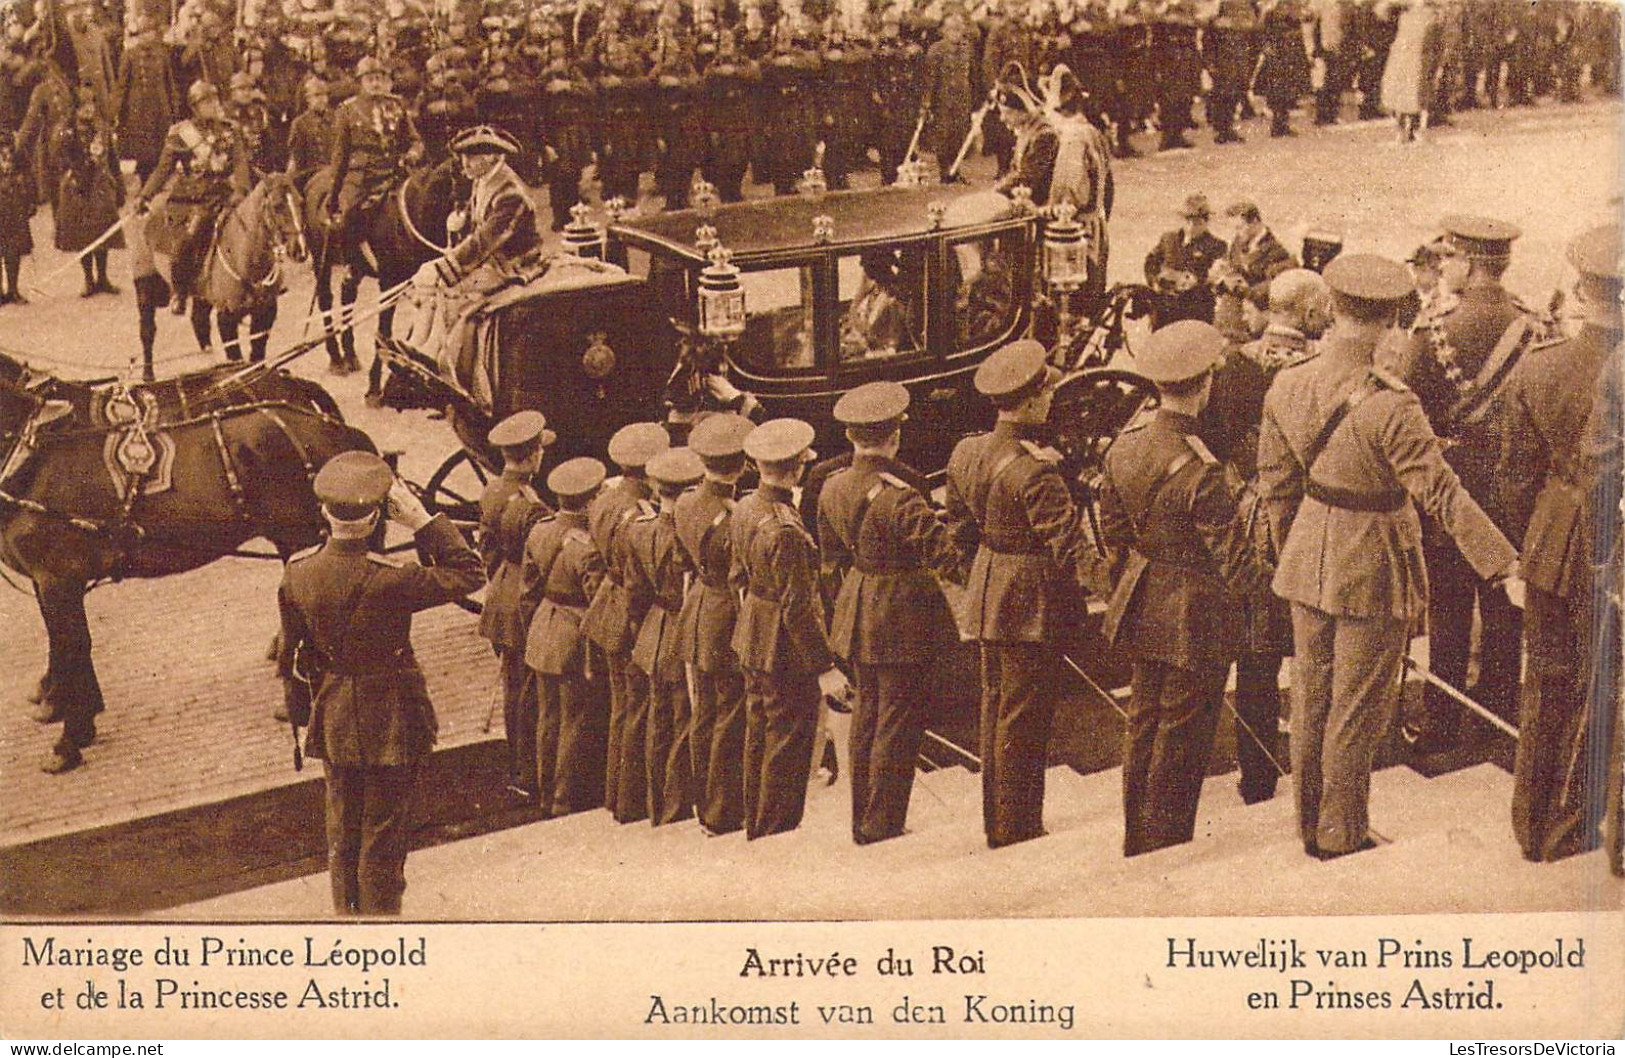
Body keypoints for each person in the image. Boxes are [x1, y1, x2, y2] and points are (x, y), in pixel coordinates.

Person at [1255, 253, 1518, 860]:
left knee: (1313, 698)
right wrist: (1502, 564)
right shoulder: (1392, 402)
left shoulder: (1288, 381)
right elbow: (1442, 494)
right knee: (1357, 708)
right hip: (1372, 560)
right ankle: (1341, 835)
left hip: (1308, 553)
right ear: (1391, 319)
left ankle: (1310, 826)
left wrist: (1296, 546)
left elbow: (1275, 482)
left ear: (1335, 310)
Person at [277, 451, 483, 915]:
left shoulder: (298, 570)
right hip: (391, 713)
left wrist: (300, 719)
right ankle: (381, 920)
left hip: (333, 714)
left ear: (324, 515)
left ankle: (347, 915)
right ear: (375, 520)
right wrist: (423, 520)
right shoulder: (393, 579)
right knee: (384, 830)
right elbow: (470, 572)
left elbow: (293, 656)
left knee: (341, 827)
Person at [1100, 321, 1275, 856]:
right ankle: (1166, 851)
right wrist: (1271, 593)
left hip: (1142, 598)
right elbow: (1234, 562)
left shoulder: (1124, 448)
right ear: (1203, 385)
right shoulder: (1202, 470)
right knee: (1182, 739)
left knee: (1144, 725)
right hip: (1195, 614)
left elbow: (1113, 532)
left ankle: (1139, 841)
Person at [1497, 223, 1621, 863]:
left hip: (1551, 540)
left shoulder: (1541, 367)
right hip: (1612, 546)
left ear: (1579, 289)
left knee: (1546, 683)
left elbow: (1513, 477)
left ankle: (1534, 823)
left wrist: (1538, 535)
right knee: (1604, 687)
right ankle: (1575, 824)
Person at [945, 339, 1095, 848]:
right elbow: (1069, 543)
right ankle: (1018, 825)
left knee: (997, 709)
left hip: (989, 586)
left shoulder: (967, 451)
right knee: (1025, 715)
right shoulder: (1035, 469)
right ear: (1032, 401)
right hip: (1029, 598)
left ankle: (999, 819)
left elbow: (961, 527)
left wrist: (982, 571)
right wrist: (1111, 590)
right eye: (1047, 392)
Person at [1398, 214, 1538, 753]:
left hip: (1453, 492)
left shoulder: (1434, 329)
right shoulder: (1532, 324)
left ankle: (1441, 724)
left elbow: (1415, 415)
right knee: (1505, 612)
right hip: (1513, 491)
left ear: (1472, 263)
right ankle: (1498, 717)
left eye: (1450, 258)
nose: (1444, 268)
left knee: (1450, 614)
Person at [1200, 270, 1334, 806]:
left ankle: (1256, 777)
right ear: (1303, 314)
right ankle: (1317, 771)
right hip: (1310, 520)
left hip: (1246, 522)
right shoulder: (1321, 372)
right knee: (1315, 649)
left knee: (1255, 657)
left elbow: (1206, 441)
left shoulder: (1232, 363)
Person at [819, 382, 965, 845]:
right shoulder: (900, 495)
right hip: (902, 614)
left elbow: (831, 558)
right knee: (898, 718)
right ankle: (884, 823)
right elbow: (948, 559)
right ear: (895, 436)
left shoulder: (832, 486)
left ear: (851, 437)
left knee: (867, 713)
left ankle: (863, 818)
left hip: (858, 605)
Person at [732, 418, 846, 839]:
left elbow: (738, 574)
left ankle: (757, 827)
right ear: (797, 468)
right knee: (787, 748)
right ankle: (776, 835)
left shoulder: (746, 507)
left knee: (760, 735)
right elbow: (798, 607)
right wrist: (825, 667)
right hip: (783, 649)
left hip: (753, 635)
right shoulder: (786, 530)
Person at [407, 125, 543, 407]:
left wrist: (442, 267)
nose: (465, 164)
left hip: (515, 265)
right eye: (463, 157)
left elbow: (485, 241)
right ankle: (420, 350)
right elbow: (476, 224)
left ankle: (440, 363)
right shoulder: (483, 180)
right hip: (493, 259)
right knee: (430, 287)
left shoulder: (511, 193)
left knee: (447, 287)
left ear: (493, 156)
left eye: (472, 157)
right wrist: (460, 221)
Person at [583, 422, 670, 824]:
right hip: (627, 616)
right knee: (637, 706)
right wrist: (640, 622)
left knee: (623, 707)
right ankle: (634, 802)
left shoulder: (605, 499)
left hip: (605, 606)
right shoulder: (637, 514)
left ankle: (617, 796)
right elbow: (636, 579)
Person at [675, 413, 755, 836]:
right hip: (725, 613)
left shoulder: (687, 502)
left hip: (699, 608)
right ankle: (724, 810)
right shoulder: (735, 516)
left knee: (704, 711)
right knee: (729, 712)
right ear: (742, 463)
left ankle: (703, 800)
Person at [523, 456, 610, 817]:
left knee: (548, 716)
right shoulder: (586, 547)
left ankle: (545, 792)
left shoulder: (540, 530)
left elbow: (527, 587)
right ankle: (563, 797)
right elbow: (598, 600)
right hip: (573, 634)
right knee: (574, 717)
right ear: (589, 502)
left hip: (544, 627)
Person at [476, 410, 556, 800]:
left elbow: (488, 551)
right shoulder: (530, 505)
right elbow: (540, 562)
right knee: (529, 692)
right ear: (533, 455)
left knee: (514, 688)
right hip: (524, 603)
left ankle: (517, 765)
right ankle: (530, 772)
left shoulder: (492, 490)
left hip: (501, 597)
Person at [627, 447, 706, 825]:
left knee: (658, 723)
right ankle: (676, 808)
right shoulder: (687, 533)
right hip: (681, 629)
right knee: (683, 721)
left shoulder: (640, 530)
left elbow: (634, 592)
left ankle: (657, 806)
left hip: (653, 631)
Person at [133, 79, 251, 315]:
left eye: (214, 100)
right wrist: (145, 195)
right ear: (195, 106)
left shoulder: (230, 130)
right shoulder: (181, 134)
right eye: (206, 102)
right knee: (186, 241)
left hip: (222, 196)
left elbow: (240, 163)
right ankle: (180, 292)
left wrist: (241, 191)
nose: (213, 105)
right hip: (191, 200)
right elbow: (163, 169)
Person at [324, 54, 424, 254]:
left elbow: (415, 140)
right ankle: (353, 264)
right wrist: (333, 193)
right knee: (348, 215)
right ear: (361, 82)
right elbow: (339, 155)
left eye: (379, 78)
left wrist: (413, 153)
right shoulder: (347, 110)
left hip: (395, 172)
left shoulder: (396, 105)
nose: (376, 83)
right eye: (370, 79)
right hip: (362, 177)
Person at [55, 101, 123, 299]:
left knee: (102, 232)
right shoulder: (67, 131)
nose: (89, 109)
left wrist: (119, 187)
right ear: (75, 108)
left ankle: (103, 277)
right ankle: (88, 278)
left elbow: (113, 159)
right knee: (83, 235)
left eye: (92, 104)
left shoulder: (101, 129)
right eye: (84, 105)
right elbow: (59, 159)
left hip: (100, 188)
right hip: (78, 189)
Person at [1211, 200, 1299, 344]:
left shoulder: (1277, 251)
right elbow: (1232, 265)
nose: (1237, 233)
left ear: (1255, 221)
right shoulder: (1239, 241)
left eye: (1239, 228)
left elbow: (1279, 286)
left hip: (1256, 320)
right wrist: (1222, 275)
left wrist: (1248, 291)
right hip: (1231, 315)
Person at [1144, 194, 1227, 329]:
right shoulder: (1168, 239)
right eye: (1188, 221)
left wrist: (1196, 280)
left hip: (1196, 311)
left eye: (1197, 223)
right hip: (1165, 309)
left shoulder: (1217, 246)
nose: (1192, 226)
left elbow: (1219, 277)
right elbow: (1150, 263)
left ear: (1206, 222)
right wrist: (1155, 282)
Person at [0, 139, 35, 306]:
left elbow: (28, 174)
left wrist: (31, 200)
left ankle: (13, 290)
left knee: (14, 249)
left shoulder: (18, 148)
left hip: (14, 204)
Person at [284, 75, 336, 184]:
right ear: (308, 99)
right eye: (317, 96)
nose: (322, 100)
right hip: (311, 177)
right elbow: (295, 160)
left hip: (336, 174)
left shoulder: (336, 119)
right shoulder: (300, 124)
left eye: (325, 95)